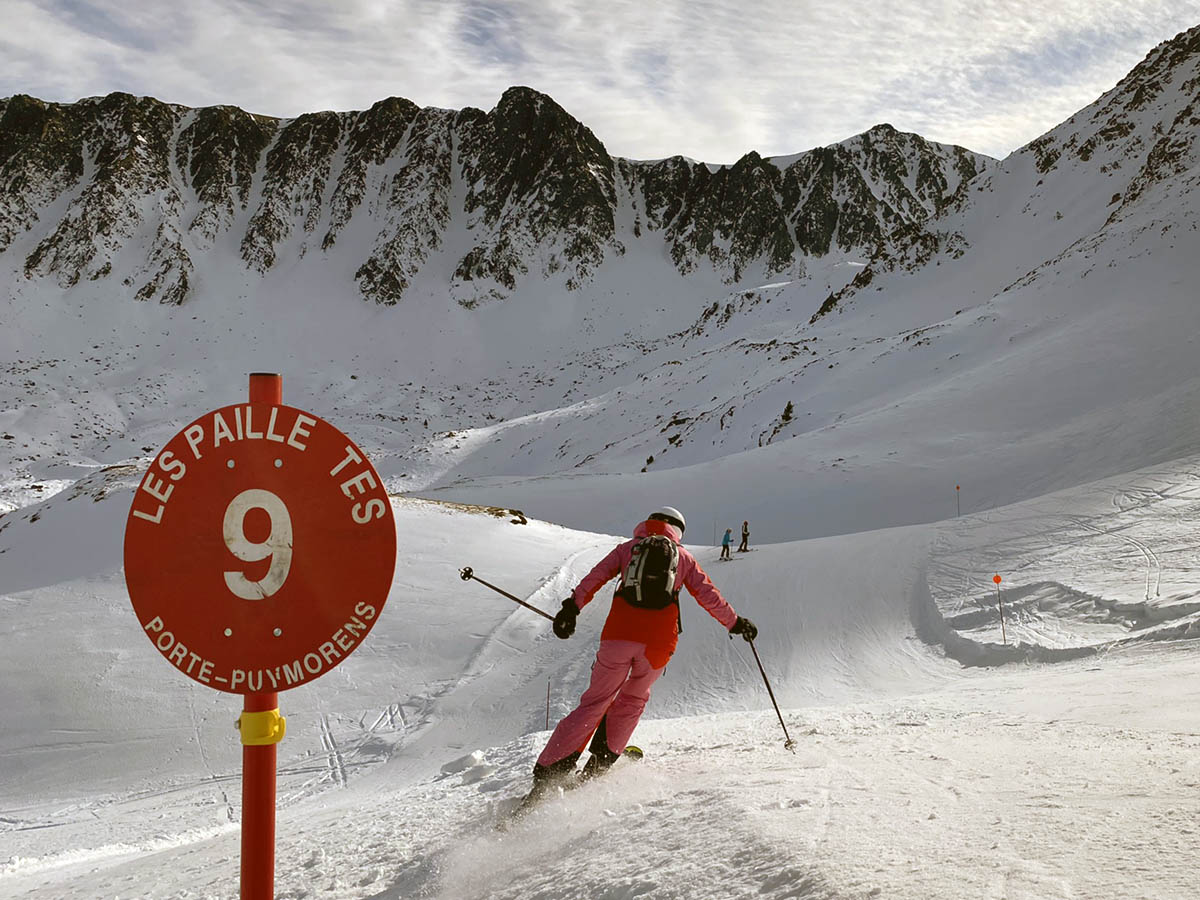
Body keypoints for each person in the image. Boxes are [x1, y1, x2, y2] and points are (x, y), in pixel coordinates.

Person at [529, 506, 757, 796]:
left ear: (648, 523)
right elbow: (708, 595)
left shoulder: (627, 550)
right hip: (659, 645)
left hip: (618, 637)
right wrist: (735, 622)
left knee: (596, 702)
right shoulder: (684, 558)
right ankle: (602, 761)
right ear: (678, 531)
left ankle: (550, 771)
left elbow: (595, 577)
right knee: (633, 699)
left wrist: (572, 607)